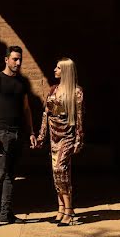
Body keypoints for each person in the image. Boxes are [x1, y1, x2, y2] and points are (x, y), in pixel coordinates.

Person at [0, 45, 37, 229]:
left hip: (18, 134)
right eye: (15, 59)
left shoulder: (22, 83)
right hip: (2, 133)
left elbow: (26, 109)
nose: (18, 62)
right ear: (6, 59)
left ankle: (6, 213)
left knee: (10, 175)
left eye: (20, 59)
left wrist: (31, 132)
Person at [35, 57, 84, 227]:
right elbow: (45, 114)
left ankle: (69, 211)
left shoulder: (76, 92)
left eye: (58, 68)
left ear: (65, 71)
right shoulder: (53, 90)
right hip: (53, 135)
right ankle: (61, 208)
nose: (54, 70)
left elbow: (79, 118)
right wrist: (41, 136)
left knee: (60, 169)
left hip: (68, 135)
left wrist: (79, 139)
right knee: (57, 172)